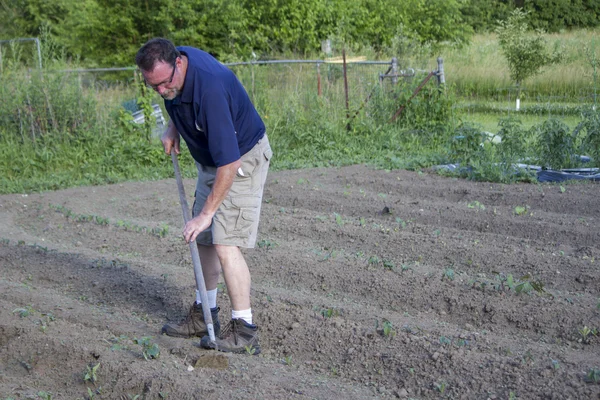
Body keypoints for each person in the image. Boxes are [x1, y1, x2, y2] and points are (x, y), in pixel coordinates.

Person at [135, 38, 272, 354]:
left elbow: (230, 162)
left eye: (163, 84)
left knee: (224, 241)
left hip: (241, 160)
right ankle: (204, 314)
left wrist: (207, 212)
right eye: (151, 86)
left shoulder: (209, 89)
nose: (159, 91)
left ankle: (245, 329)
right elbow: (176, 97)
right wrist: (174, 126)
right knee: (204, 239)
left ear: (178, 64)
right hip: (213, 158)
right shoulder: (173, 71)